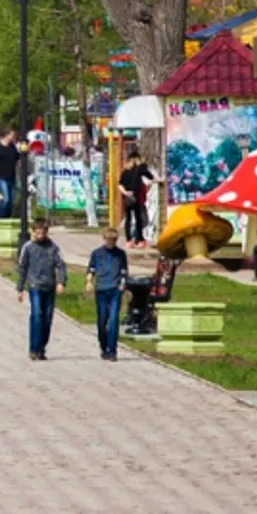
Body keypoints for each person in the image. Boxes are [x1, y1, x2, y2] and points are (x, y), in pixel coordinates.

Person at [16, 217, 68, 360]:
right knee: (37, 315)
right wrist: (20, 288)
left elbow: (61, 265)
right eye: (37, 232)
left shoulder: (53, 247)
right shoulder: (28, 247)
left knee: (47, 317)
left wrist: (61, 282)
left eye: (43, 232)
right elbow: (22, 267)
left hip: (49, 285)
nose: (40, 235)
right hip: (34, 285)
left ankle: (41, 348)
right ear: (33, 232)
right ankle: (34, 348)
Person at [88, 227, 130, 361]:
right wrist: (89, 281)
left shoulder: (120, 254)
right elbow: (91, 269)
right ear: (104, 239)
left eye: (113, 240)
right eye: (109, 240)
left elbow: (124, 270)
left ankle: (112, 350)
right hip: (101, 289)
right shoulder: (97, 253)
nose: (111, 243)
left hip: (115, 289)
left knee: (113, 319)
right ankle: (103, 345)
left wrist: (123, 284)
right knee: (102, 320)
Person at [120, 152, 156, 248]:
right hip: (136, 198)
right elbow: (151, 177)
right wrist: (159, 179)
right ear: (137, 159)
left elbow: (120, 184)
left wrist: (126, 192)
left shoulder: (125, 171)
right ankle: (140, 240)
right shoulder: (140, 169)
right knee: (138, 219)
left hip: (127, 198)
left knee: (128, 219)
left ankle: (129, 241)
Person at [0, 128, 23, 219]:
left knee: (11, 201)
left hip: (12, 177)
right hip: (1, 177)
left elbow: (18, 161)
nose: (13, 137)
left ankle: (7, 219)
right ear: (7, 135)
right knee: (5, 199)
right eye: (12, 135)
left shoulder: (13, 148)